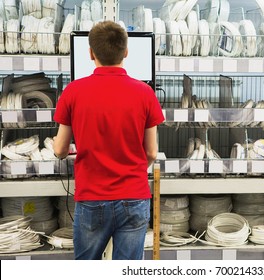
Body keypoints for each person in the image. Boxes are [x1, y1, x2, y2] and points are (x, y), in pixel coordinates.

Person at [53, 20, 165, 260]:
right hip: (134, 196)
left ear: (91, 53)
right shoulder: (145, 93)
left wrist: (60, 148)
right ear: (126, 52)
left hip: (92, 198)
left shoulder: (73, 91)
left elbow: (61, 149)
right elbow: (152, 152)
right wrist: (132, 169)